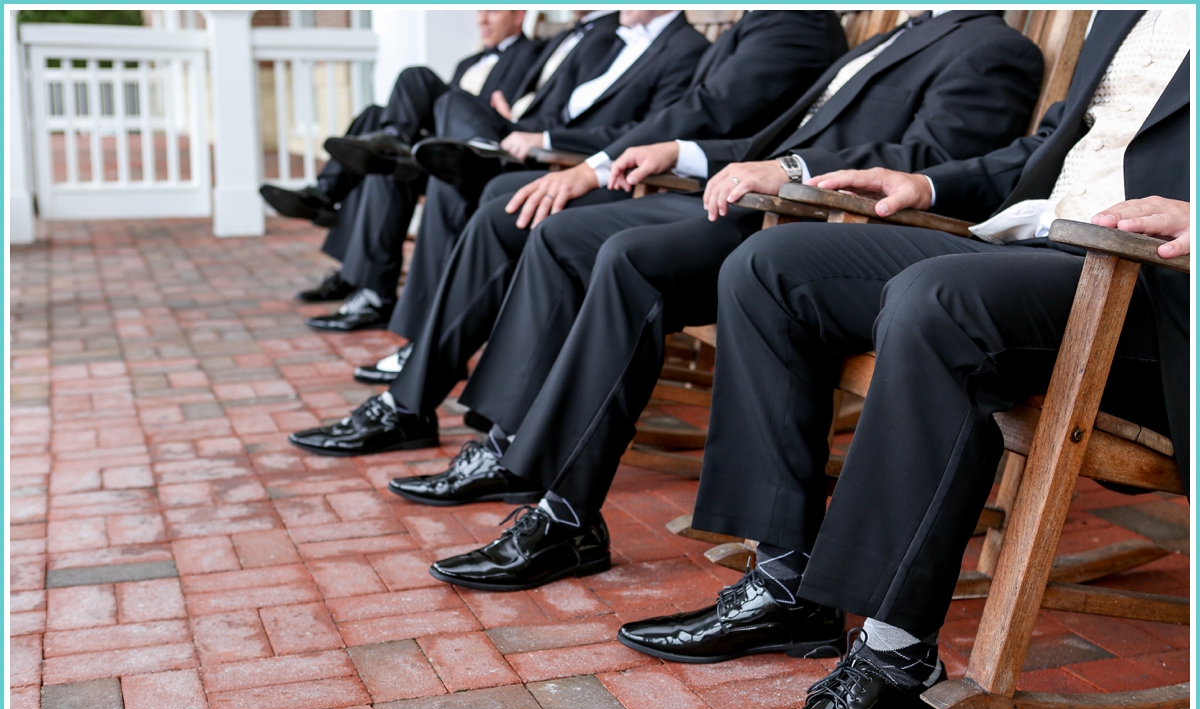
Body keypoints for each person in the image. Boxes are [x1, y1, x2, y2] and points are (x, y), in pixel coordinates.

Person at [625, 6, 1190, 709]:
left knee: (938, 300)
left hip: (1155, 295)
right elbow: (1056, 151)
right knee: (768, 268)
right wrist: (927, 182)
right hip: (1038, 246)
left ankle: (894, 667)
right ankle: (786, 583)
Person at [285, 8, 1042, 490]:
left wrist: (791, 171)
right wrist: (678, 151)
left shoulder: (989, 45)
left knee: (619, 255)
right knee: (559, 231)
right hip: (750, 203)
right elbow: (756, 136)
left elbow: (931, 157)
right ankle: (513, 444)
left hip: (816, 230)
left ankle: (552, 486)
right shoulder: (887, 40)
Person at [350, 8, 846, 386]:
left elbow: (709, 111)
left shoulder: (792, 23)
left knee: (528, 213)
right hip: (684, 173)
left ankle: (482, 421)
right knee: (485, 189)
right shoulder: (752, 21)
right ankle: (434, 392)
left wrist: (590, 162)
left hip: (737, 200)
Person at [264, 11, 551, 326]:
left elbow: (543, 106)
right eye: (479, 10)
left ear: (519, 15)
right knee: (377, 123)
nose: (482, 19)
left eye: (493, 10)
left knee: (415, 81)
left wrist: (518, 116)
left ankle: (341, 201)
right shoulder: (466, 64)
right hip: (442, 148)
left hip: (480, 153)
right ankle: (330, 194)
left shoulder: (535, 53)